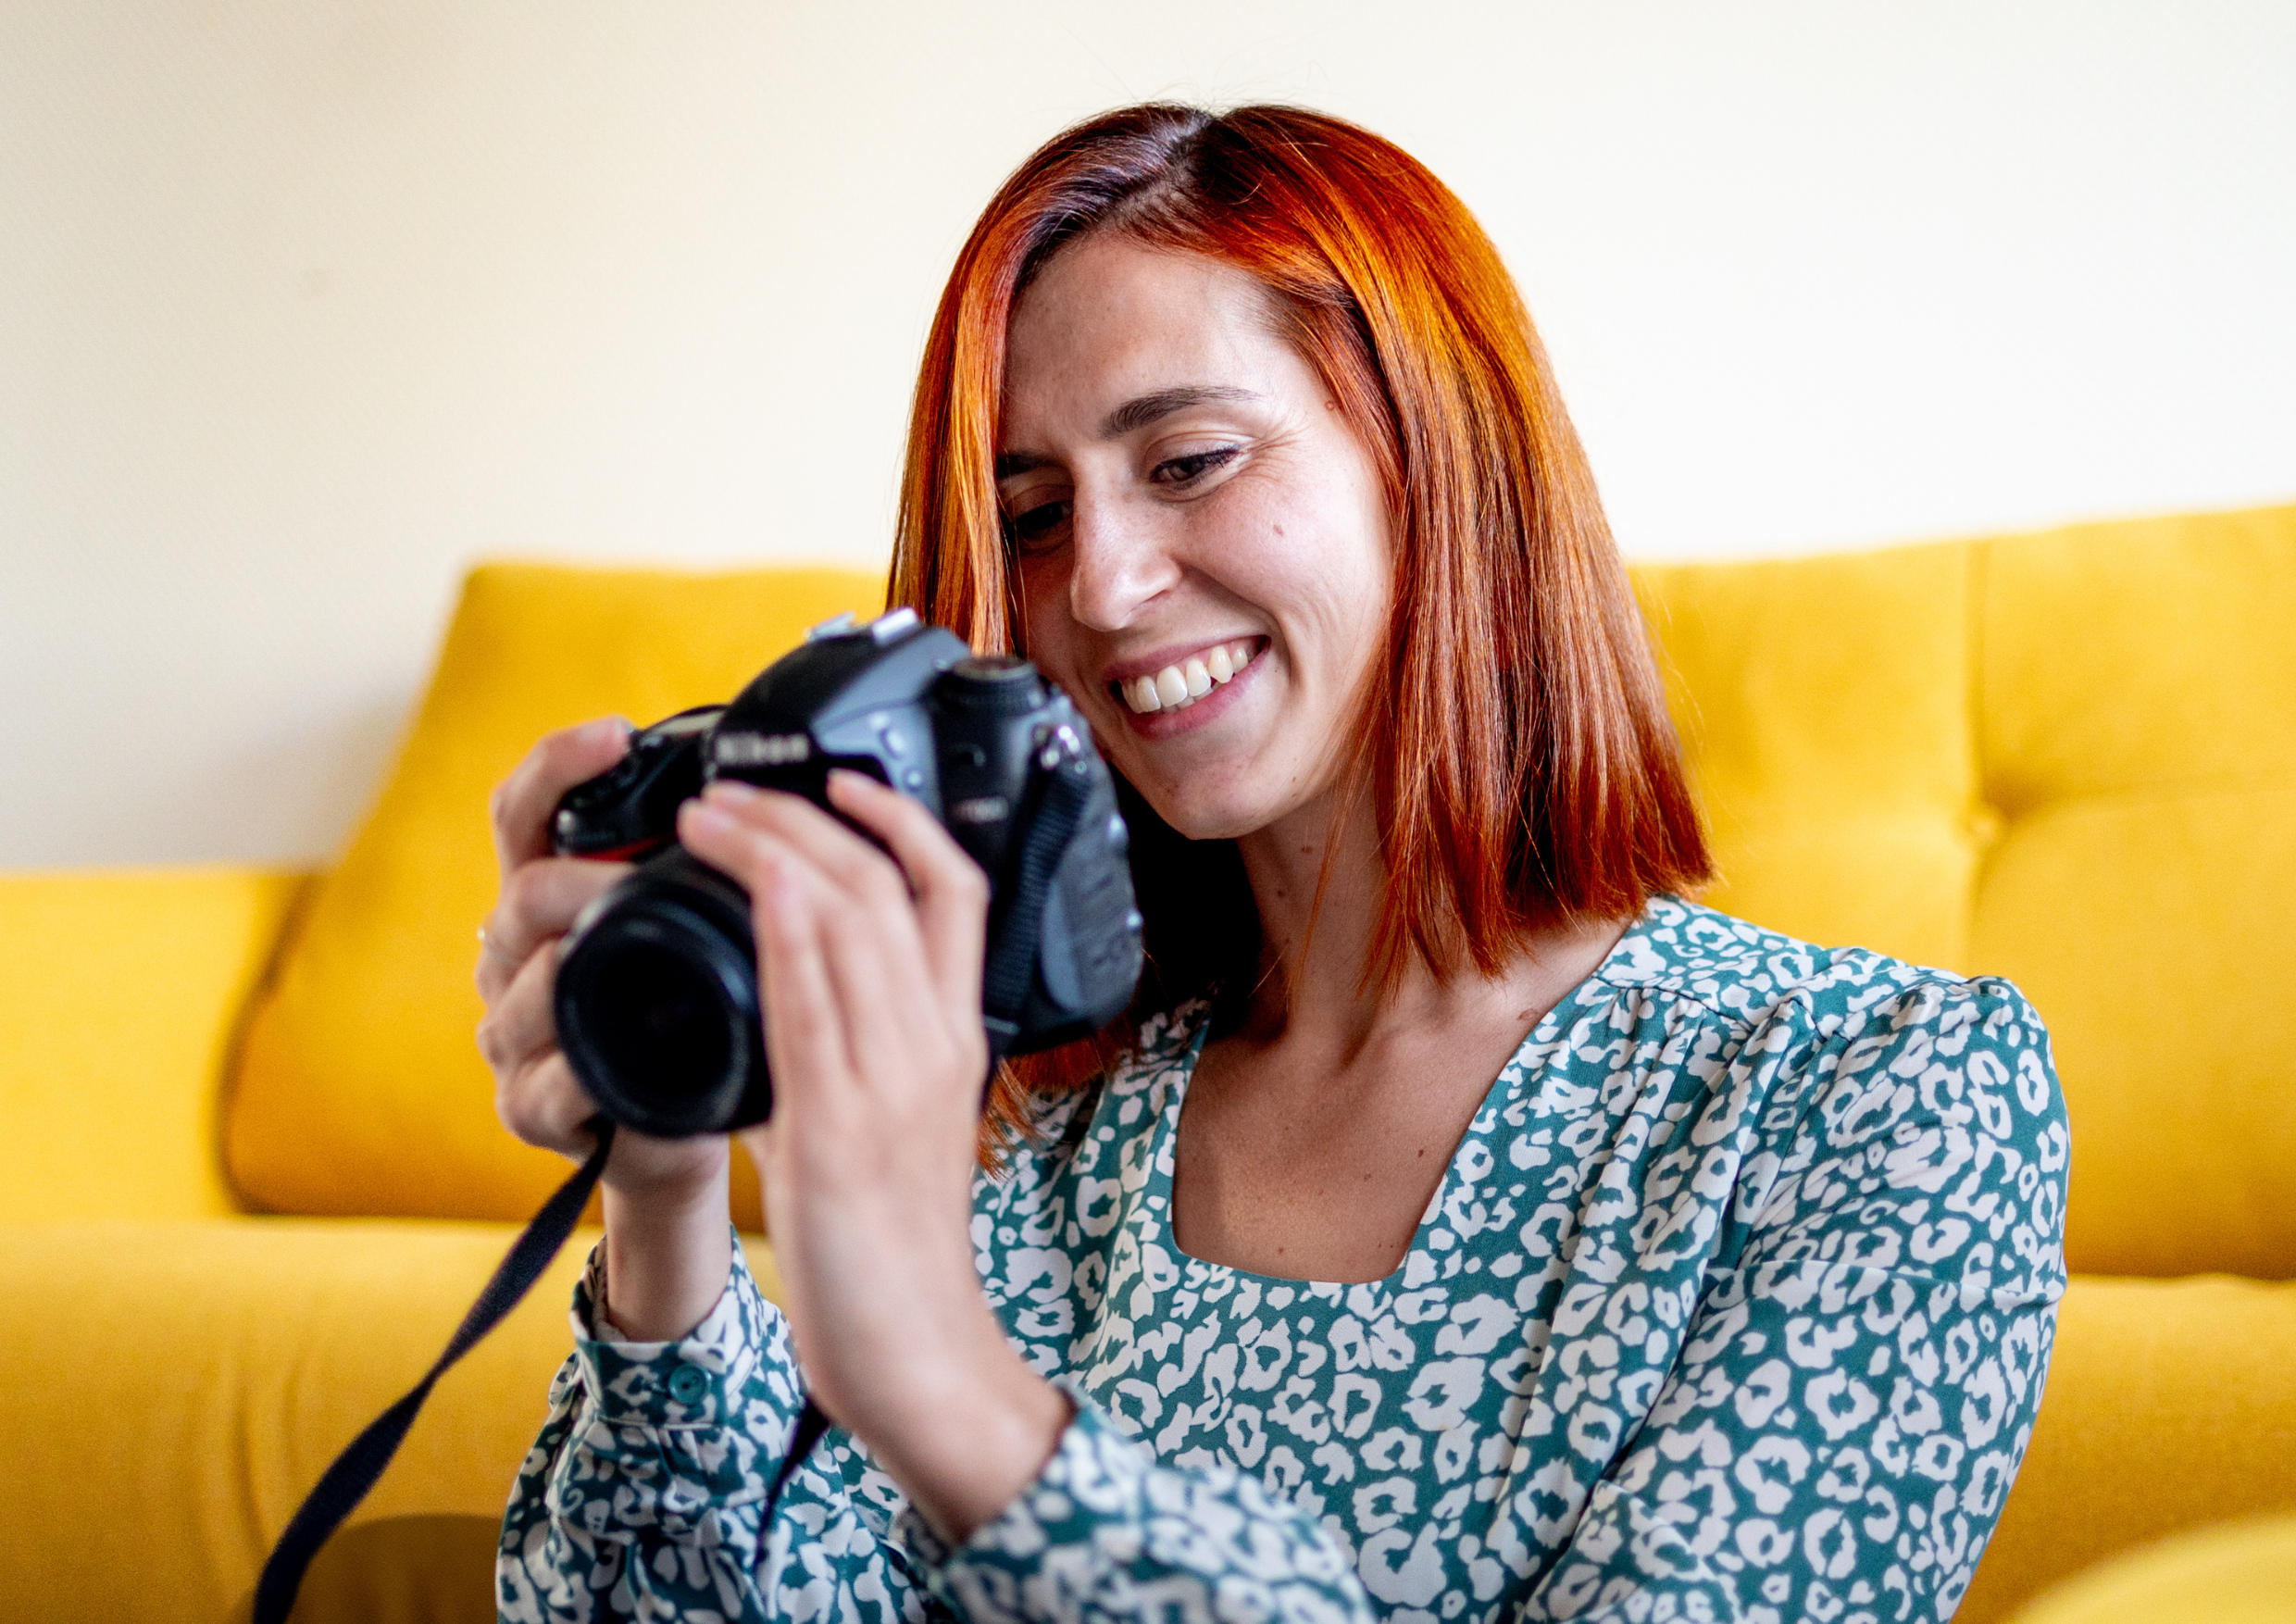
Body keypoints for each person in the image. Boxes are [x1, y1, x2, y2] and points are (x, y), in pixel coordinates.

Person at [477, 104, 2068, 1623]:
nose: (1096, 586)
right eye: (1031, 515)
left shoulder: (1877, 1102)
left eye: (1187, 463)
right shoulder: (1050, 1124)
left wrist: (956, 1399)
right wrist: (665, 1177)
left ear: (1440, 465)